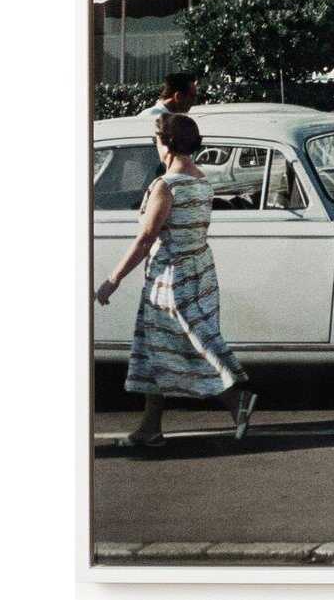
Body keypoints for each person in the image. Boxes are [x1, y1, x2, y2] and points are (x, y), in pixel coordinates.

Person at [94, 111, 255, 451]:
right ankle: (150, 427)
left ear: (166, 144)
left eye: (156, 140)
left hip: (171, 278)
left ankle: (237, 400)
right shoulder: (202, 181)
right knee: (159, 347)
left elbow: (146, 238)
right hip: (200, 272)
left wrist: (113, 279)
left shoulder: (167, 186)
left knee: (190, 342)